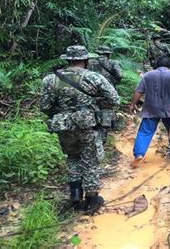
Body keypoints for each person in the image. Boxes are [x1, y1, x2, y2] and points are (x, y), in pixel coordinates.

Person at [40, 45, 120, 212]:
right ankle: (92, 199)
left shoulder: (51, 79)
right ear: (86, 60)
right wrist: (96, 106)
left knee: (72, 157)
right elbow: (113, 99)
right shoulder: (94, 77)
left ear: (68, 59)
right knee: (90, 159)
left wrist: (62, 113)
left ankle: (75, 194)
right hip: (86, 124)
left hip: (63, 125)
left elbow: (45, 106)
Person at [128, 56, 170, 168]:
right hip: (169, 109)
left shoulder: (148, 75)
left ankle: (139, 154)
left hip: (150, 109)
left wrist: (132, 104)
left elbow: (139, 91)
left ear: (157, 64)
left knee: (145, 132)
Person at [87, 45, 123, 144]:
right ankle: (102, 140)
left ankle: (92, 137)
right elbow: (119, 75)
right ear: (109, 54)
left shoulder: (89, 62)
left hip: (91, 92)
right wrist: (112, 82)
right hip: (107, 92)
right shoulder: (112, 63)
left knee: (92, 111)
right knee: (106, 112)